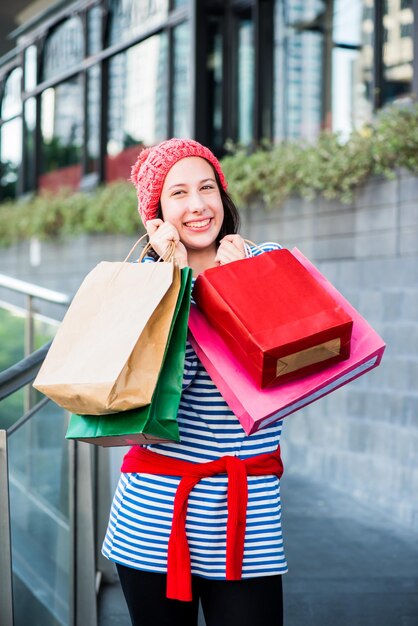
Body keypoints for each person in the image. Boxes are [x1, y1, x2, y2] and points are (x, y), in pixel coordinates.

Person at [102, 138, 287, 626]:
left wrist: (239, 288)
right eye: (178, 193)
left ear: (223, 197)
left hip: (246, 521)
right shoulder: (145, 282)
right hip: (152, 518)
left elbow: (285, 386)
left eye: (207, 188)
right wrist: (176, 282)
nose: (198, 205)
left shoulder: (268, 260)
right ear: (156, 213)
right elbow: (160, 398)